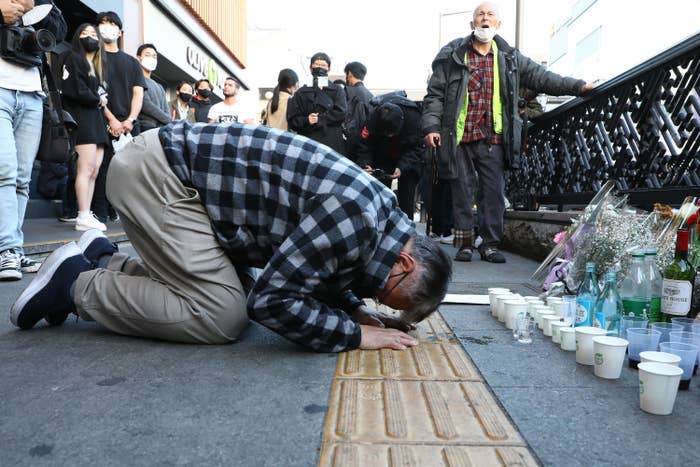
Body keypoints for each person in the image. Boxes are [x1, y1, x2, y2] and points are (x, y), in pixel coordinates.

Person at [11, 121, 452, 353]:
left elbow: (319, 269)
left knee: (238, 289)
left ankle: (105, 259)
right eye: (385, 295)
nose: (375, 295)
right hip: (158, 177)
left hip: (175, 179)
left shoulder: (381, 216)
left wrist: (356, 311)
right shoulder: (355, 218)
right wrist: (355, 334)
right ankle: (74, 284)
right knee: (222, 315)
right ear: (405, 263)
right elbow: (273, 303)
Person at [422, 1, 594, 264]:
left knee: (493, 193)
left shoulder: (509, 57)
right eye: (480, 15)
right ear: (472, 23)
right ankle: (465, 243)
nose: (485, 18)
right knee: (462, 192)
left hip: (494, 136)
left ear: (498, 24)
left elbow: (542, 78)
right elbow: (435, 95)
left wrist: (578, 86)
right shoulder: (454, 55)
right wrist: (432, 127)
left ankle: (490, 244)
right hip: (459, 136)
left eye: (490, 15)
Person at [0, 0, 66, 280]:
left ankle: (12, 248)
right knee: (4, 171)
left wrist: (38, 8)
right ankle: (7, 250)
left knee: (22, 179)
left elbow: (59, 33)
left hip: (32, 94)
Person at [93, 11, 146, 223]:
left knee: (129, 171)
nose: (107, 27)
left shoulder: (132, 63)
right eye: (103, 23)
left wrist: (130, 120)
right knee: (102, 170)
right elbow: (94, 90)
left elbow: (138, 93)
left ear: (120, 31)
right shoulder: (94, 59)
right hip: (101, 120)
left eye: (112, 23)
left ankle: (123, 211)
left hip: (129, 125)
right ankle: (100, 212)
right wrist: (111, 119)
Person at [60, 23, 111, 232]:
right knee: (85, 168)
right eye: (85, 33)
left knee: (94, 170)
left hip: (96, 119)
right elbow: (75, 90)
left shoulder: (96, 67)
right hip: (82, 118)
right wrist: (98, 99)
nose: (90, 37)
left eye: (93, 34)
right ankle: (82, 214)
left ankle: (86, 212)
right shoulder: (73, 58)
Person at [357, 93, 425, 219]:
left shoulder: (414, 118)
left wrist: (402, 167)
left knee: (407, 197)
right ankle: (381, 226)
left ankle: (406, 228)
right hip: (382, 156)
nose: (390, 136)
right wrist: (365, 164)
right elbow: (364, 144)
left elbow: (417, 148)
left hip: (407, 158)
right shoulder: (373, 118)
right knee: (380, 196)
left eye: (392, 133)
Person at [287, 52, 347, 154]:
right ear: (310, 68)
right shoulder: (301, 92)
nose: (319, 67)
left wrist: (320, 119)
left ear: (328, 69)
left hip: (332, 141)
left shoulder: (337, 90)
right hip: (308, 141)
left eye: (323, 65)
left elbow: (341, 112)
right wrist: (307, 120)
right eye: (316, 64)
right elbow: (292, 120)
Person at [343, 61, 373, 162]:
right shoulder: (371, 96)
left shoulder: (348, 91)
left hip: (350, 145)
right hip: (366, 145)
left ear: (350, 74)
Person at [136, 43, 170, 131]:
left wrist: (169, 121)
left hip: (161, 130)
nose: (151, 58)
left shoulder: (159, 86)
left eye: (154, 56)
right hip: (145, 128)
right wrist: (169, 120)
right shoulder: (136, 80)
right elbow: (146, 105)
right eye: (147, 55)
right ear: (138, 58)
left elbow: (166, 108)